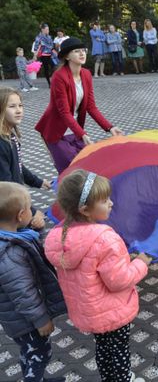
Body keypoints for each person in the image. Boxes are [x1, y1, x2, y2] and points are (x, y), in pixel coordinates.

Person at [44, 169, 152, 382]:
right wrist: (141, 262)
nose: (111, 203)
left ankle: (109, 378)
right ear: (85, 209)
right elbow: (119, 280)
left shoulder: (59, 236)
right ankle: (123, 379)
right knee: (119, 349)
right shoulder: (104, 239)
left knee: (103, 347)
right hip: (112, 311)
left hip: (90, 311)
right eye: (104, 200)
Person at [0, 182, 66, 382]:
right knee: (39, 355)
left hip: (19, 318)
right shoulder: (9, 253)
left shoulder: (15, 238)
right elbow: (23, 293)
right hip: (25, 321)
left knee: (29, 353)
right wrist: (41, 319)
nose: (32, 211)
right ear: (20, 215)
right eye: (30, 208)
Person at [35, 38, 124, 174]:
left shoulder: (86, 74)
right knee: (71, 172)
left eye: (83, 50)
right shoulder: (59, 77)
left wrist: (109, 127)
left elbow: (91, 107)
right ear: (66, 56)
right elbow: (64, 112)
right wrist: (82, 134)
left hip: (74, 130)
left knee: (85, 167)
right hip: (56, 131)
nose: (82, 54)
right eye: (76, 51)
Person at [0, 86, 51, 231]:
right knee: (38, 228)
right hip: (7, 206)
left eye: (20, 105)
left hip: (14, 202)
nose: (18, 110)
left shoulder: (9, 135)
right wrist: (32, 212)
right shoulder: (2, 142)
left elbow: (18, 165)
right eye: (12, 106)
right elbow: (7, 185)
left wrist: (38, 182)